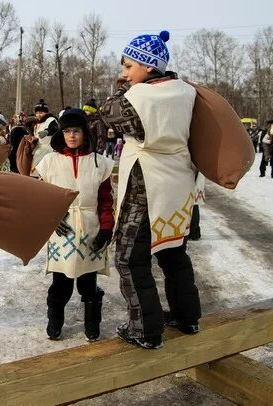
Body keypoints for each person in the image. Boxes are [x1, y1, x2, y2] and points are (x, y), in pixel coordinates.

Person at [101, 30, 201, 350]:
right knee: (173, 252)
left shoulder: (141, 96)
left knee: (130, 258)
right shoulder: (186, 92)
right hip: (178, 183)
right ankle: (188, 317)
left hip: (147, 184)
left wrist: (120, 90)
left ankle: (145, 328)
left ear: (147, 66)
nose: (123, 73)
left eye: (128, 66)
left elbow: (109, 113)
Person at [34, 108, 115, 342]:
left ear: (84, 133)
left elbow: (106, 201)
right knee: (61, 283)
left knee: (88, 283)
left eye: (76, 131)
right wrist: (52, 218)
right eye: (67, 131)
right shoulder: (50, 162)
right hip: (62, 230)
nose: (71, 136)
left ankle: (92, 325)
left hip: (91, 228)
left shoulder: (99, 163)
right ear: (61, 133)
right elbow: (42, 197)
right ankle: (55, 322)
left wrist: (107, 229)